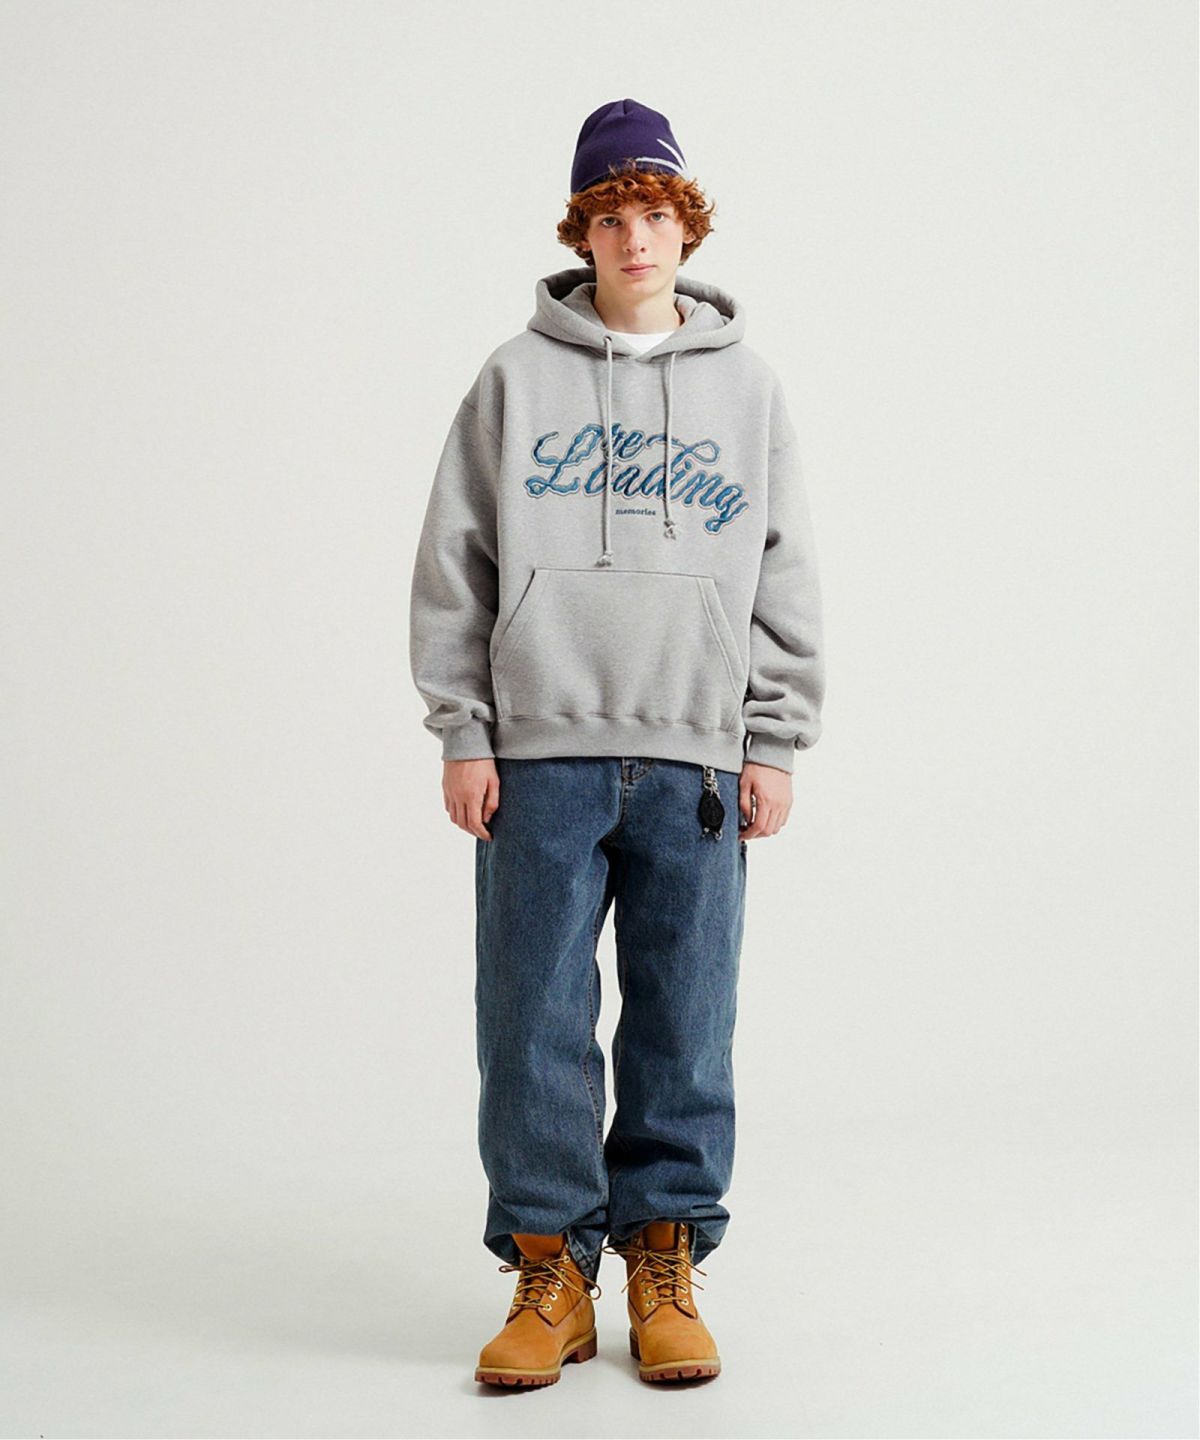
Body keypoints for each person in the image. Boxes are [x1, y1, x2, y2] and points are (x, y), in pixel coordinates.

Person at [409, 97, 825, 1388]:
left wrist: (774, 738)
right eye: (609, 216)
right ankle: (550, 1271)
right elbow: (455, 563)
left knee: (685, 1017)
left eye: (654, 213)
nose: (634, 237)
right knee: (531, 1014)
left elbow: (784, 571)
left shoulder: (748, 389)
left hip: (696, 756)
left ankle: (664, 1257)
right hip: (539, 754)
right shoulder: (512, 379)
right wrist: (463, 730)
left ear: (686, 228)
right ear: (580, 231)